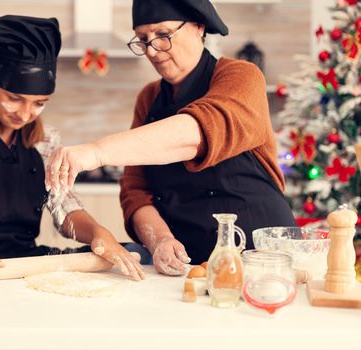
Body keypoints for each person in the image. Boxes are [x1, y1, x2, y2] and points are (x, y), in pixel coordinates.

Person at [45, 0, 296, 276]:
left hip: (258, 256)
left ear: (199, 27)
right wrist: (160, 240)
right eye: (143, 39)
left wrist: (96, 152)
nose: (152, 50)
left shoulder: (241, 76)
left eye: (163, 35)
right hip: (185, 265)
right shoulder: (149, 98)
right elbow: (136, 191)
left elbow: (198, 132)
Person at [0, 15, 145, 287]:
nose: (25, 114)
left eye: (39, 103)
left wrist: (98, 232)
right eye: (14, 99)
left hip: (23, 269)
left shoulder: (47, 141)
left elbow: (64, 210)